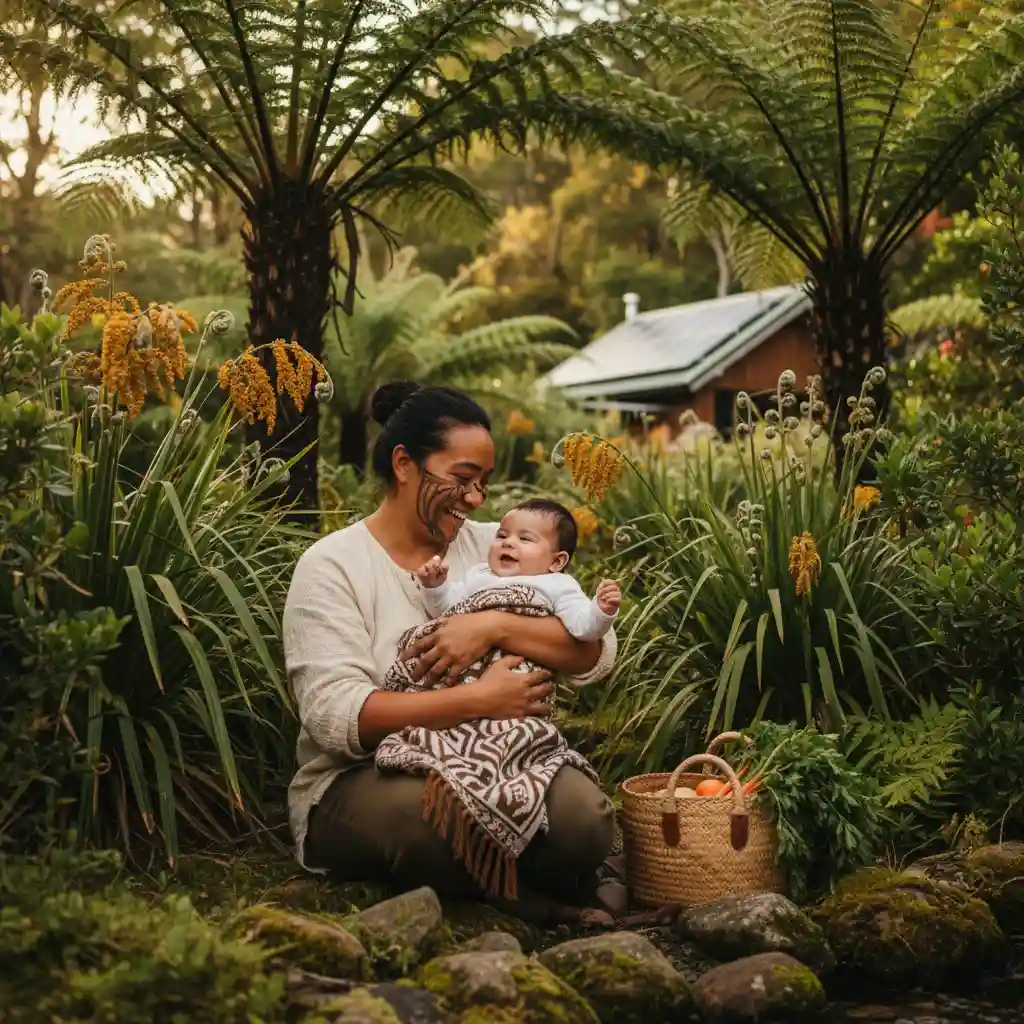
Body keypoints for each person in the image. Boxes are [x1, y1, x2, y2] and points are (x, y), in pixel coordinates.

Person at [283, 381, 618, 923]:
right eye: (462, 479)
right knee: (436, 825)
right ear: (403, 463)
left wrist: (491, 626)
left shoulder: (493, 546)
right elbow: (335, 717)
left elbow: (592, 652)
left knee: (586, 822)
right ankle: (527, 893)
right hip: (362, 774)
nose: (476, 499)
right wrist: (479, 700)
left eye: (483, 483)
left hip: (491, 757)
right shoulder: (332, 566)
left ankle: (498, 881)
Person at [416, 498, 621, 642]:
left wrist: (602, 610)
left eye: (525, 539)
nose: (508, 543)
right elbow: (445, 609)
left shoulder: (558, 585)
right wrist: (435, 586)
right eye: (502, 536)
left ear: (557, 562)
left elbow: (582, 627)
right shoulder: (479, 575)